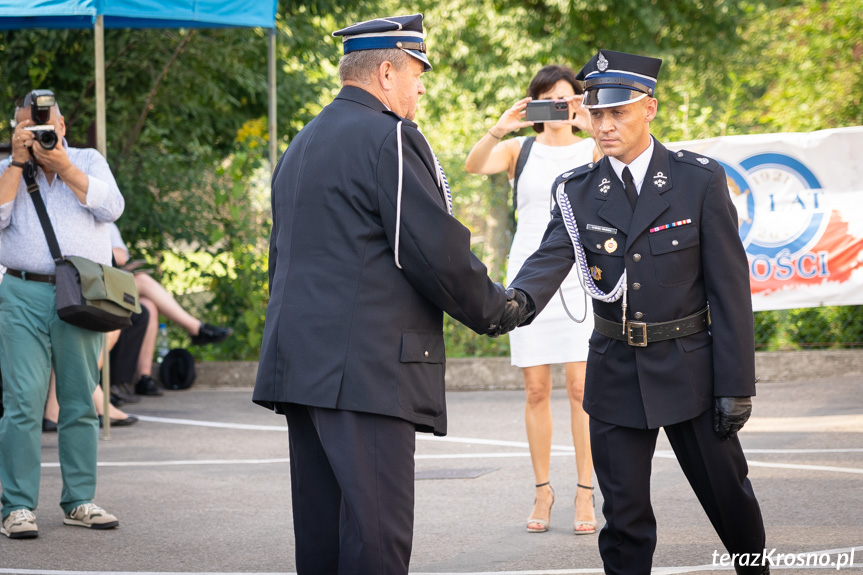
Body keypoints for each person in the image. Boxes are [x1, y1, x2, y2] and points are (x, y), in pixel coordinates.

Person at [252, 14, 522, 574]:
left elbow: (284, 259)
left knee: (322, 541)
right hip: (366, 373)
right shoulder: (390, 138)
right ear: (385, 72)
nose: (422, 85)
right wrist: (498, 309)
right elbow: (431, 253)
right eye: (417, 72)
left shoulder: (302, 141)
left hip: (300, 366)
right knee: (378, 541)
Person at [504, 51, 769, 574]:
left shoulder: (698, 181)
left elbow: (731, 291)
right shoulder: (578, 193)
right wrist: (507, 305)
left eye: (617, 112)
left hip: (690, 368)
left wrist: (736, 384)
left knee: (731, 502)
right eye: (596, 113)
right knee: (623, 522)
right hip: (616, 370)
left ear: (649, 108)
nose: (604, 125)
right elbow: (548, 260)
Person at [465, 65, 599, 534]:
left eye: (568, 100)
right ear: (535, 105)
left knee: (583, 390)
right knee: (536, 390)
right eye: (549, 99)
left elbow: (630, 166)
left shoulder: (592, 146)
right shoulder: (518, 150)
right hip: (530, 277)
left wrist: (591, 123)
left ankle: (586, 493)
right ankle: (543, 491)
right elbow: (473, 164)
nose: (559, 109)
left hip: (581, 274)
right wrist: (500, 127)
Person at [0, 90, 123, 538]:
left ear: (63, 126)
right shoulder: (6, 168)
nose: (39, 135)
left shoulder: (88, 161)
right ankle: (15, 507)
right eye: (28, 128)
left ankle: (79, 500)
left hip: (81, 294)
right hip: (21, 292)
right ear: (15, 130)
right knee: (22, 403)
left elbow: (112, 208)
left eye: (46, 127)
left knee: (78, 401)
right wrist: (17, 163)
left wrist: (63, 167)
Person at [109, 222, 232, 398]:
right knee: (142, 280)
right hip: (94, 284)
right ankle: (196, 328)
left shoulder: (105, 219)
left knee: (149, 307)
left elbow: (121, 255)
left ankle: (144, 377)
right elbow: (120, 257)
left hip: (111, 280)